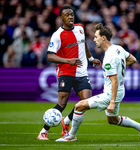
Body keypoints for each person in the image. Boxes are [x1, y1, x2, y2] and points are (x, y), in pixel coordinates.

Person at [56, 23, 140, 142]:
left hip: (111, 93)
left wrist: (111, 102)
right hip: (120, 91)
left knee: (79, 106)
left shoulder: (108, 58)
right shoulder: (118, 48)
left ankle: (71, 136)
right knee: (112, 120)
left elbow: (114, 82)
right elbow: (133, 59)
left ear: (103, 38)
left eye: (96, 37)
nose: (94, 39)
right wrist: (119, 66)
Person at [37, 6, 101, 140]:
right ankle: (43, 131)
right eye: (67, 15)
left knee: (86, 101)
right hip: (65, 71)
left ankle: (66, 121)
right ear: (61, 18)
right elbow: (50, 56)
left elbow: (83, 45)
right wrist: (68, 61)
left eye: (72, 14)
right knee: (62, 103)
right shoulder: (57, 35)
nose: (71, 17)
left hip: (82, 72)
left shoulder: (80, 28)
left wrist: (91, 58)